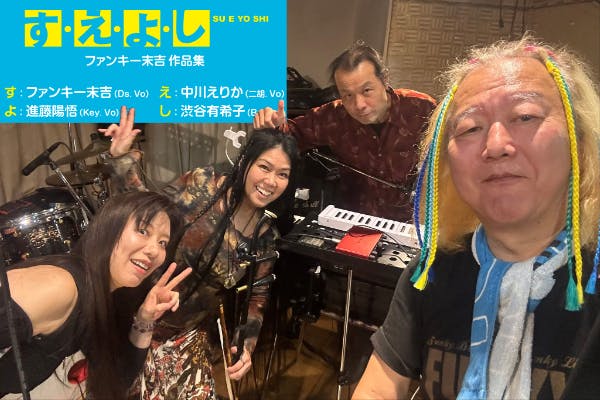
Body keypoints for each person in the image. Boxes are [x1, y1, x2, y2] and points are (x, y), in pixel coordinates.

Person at [352, 36, 600, 400]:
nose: (496, 145)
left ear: (579, 139)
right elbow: (379, 387)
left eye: (525, 116)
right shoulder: (432, 270)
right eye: (470, 128)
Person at [100, 115, 301, 399]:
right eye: (264, 167)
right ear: (246, 162)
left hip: (187, 334)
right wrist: (121, 160)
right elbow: (144, 212)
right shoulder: (202, 184)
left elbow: (257, 296)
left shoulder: (266, 237)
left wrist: (247, 345)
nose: (271, 181)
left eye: (283, 174)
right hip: (136, 315)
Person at [0, 191, 191, 399]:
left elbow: (120, 376)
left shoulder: (102, 294)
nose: (154, 251)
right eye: (143, 231)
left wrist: (145, 319)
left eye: (163, 242)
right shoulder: (60, 287)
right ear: (110, 227)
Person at [253, 41, 436, 222]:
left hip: (412, 222)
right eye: (347, 95)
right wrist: (273, 125)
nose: (359, 105)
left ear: (384, 79)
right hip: (352, 220)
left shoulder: (421, 108)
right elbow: (290, 136)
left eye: (366, 90)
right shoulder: (334, 116)